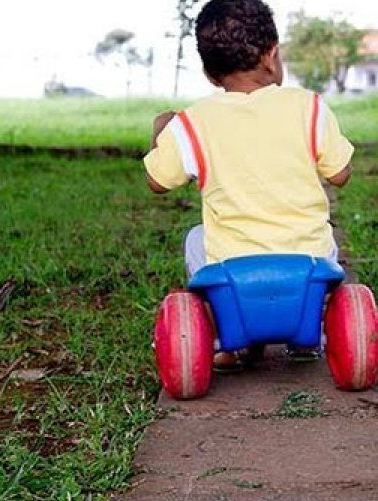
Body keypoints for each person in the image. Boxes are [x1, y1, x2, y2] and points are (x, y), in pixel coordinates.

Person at [143, 0, 354, 371]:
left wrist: (162, 132)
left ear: (209, 73)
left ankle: (227, 340)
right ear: (272, 56)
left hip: (232, 271)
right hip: (307, 265)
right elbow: (340, 174)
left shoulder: (192, 123)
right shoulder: (310, 107)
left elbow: (157, 181)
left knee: (196, 238)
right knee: (325, 234)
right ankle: (310, 328)